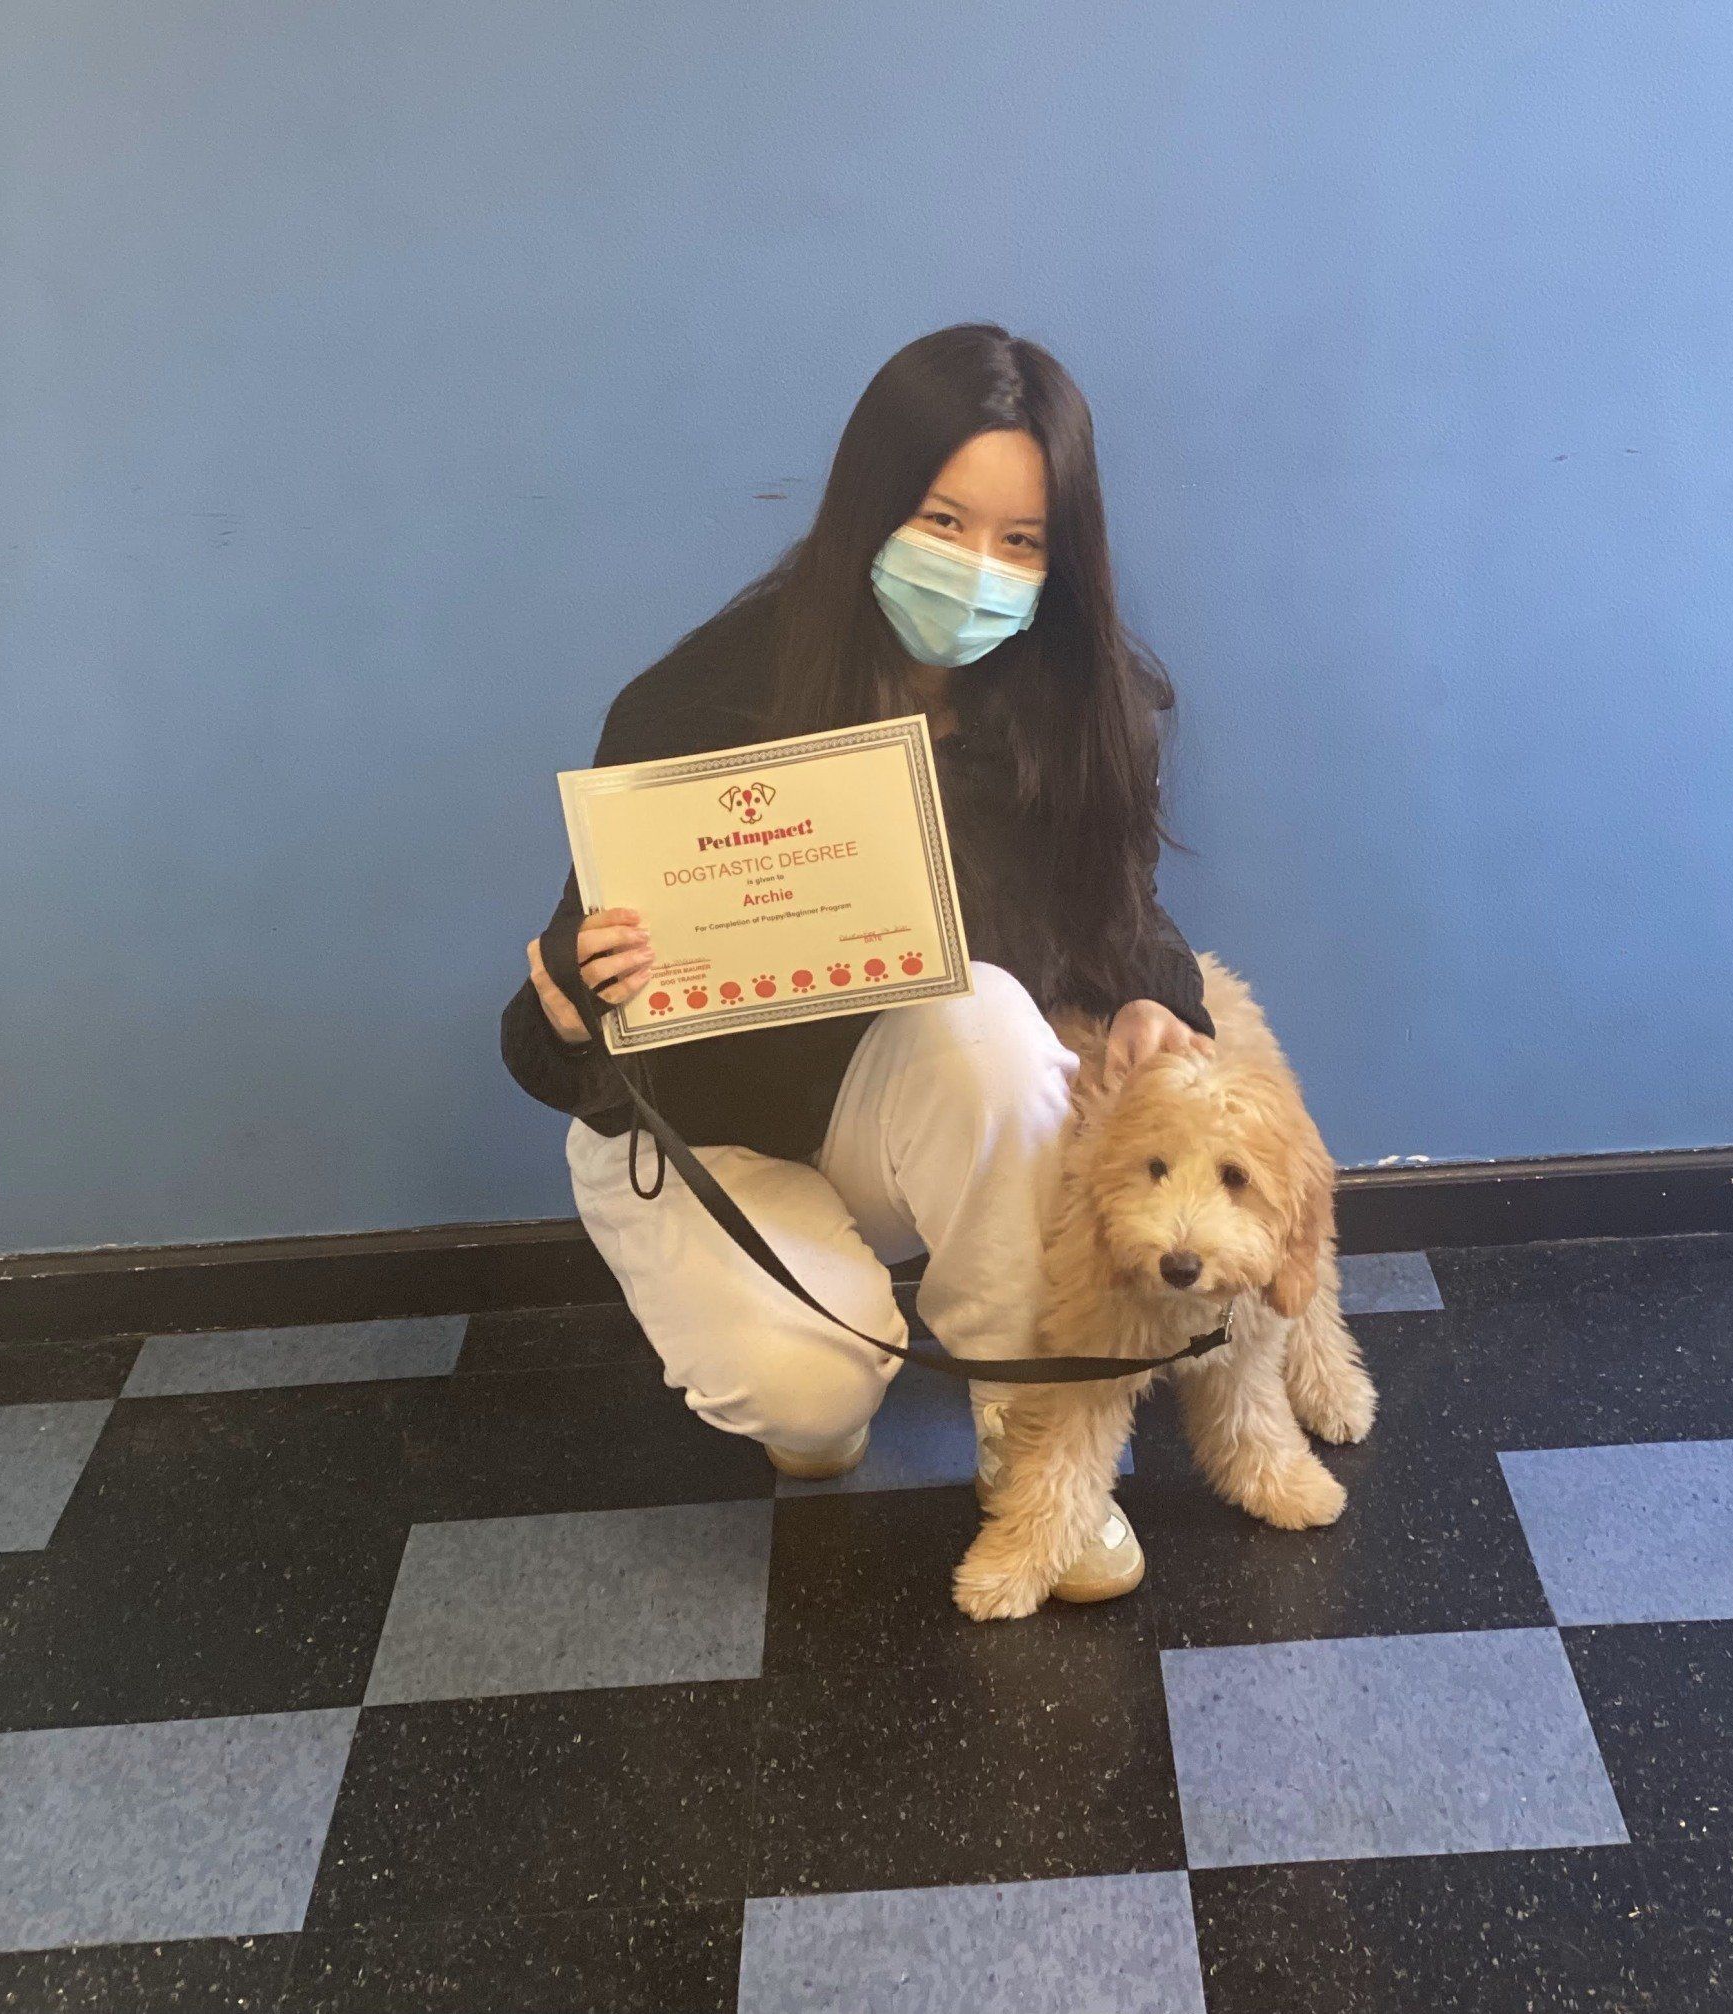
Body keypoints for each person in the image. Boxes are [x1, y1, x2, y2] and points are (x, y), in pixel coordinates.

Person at [501, 322, 1215, 1602]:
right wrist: (565, 1005)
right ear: (870, 506)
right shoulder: (705, 697)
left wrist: (1162, 1003)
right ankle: (811, 1375)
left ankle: (1033, 1444)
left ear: (1065, 557)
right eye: (943, 520)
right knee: (814, 1404)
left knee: (993, 1019)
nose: (978, 569)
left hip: (893, 1104)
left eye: (1021, 541)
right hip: (703, 1131)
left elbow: (1122, 922)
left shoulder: (1080, 703)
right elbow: (554, 1016)